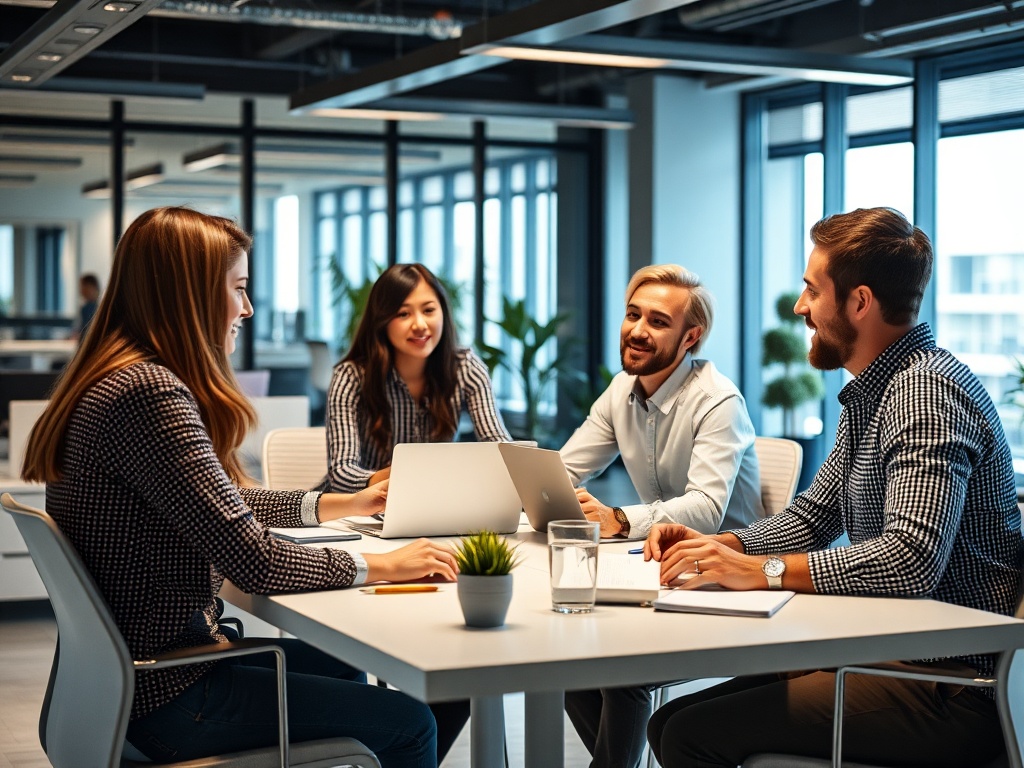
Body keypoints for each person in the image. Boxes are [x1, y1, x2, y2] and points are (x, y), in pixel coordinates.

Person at [21, 206, 464, 768]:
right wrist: (382, 566)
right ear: (191, 294)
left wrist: (336, 503)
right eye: (239, 288)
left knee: (344, 664)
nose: (248, 309)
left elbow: (212, 504)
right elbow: (253, 561)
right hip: (170, 693)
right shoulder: (149, 395)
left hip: (134, 679)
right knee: (409, 723)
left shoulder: (118, 378)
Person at [645, 207, 1023, 768]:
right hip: (892, 650)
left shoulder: (925, 395)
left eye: (810, 290)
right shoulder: (874, 390)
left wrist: (765, 571)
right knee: (669, 721)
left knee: (687, 736)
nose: (800, 307)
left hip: (951, 684)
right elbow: (813, 516)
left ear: (859, 302)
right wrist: (730, 547)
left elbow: (911, 559)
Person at [559, 264, 764, 768]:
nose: (637, 331)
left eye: (657, 321)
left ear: (690, 336)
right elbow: (564, 470)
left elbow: (707, 510)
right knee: (564, 657)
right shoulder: (620, 391)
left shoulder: (718, 402)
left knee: (622, 669)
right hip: (661, 566)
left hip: (727, 574)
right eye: (633, 315)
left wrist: (619, 519)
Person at [325, 263, 510, 492]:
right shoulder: (351, 377)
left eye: (429, 310)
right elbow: (341, 474)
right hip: (359, 512)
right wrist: (402, 476)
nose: (420, 325)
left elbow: (503, 452)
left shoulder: (466, 369)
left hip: (433, 505)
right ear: (381, 321)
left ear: (442, 311)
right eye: (403, 314)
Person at [73, 273, 101, 342]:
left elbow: (83, 330)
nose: (81, 291)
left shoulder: (89, 308)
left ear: (92, 287)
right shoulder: (97, 307)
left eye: (83, 287)